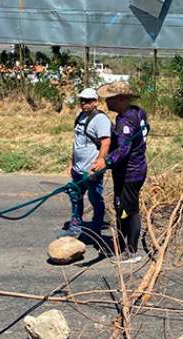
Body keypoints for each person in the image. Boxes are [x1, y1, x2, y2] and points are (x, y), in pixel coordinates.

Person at [91, 81, 149, 264]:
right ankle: (123, 244)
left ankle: (130, 250)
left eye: (111, 99)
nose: (107, 102)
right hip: (132, 169)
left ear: (122, 99)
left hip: (130, 173)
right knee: (121, 208)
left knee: (128, 210)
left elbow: (123, 151)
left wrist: (105, 162)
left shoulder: (126, 121)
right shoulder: (137, 112)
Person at [59, 88, 112, 239]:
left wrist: (99, 163)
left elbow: (106, 143)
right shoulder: (80, 116)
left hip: (91, 169)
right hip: (78, 168)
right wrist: (72, 163)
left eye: (88, 101)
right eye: (82, 100)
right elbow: (77, 143)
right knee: (76, 197)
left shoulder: (101, 119)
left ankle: (95, 229)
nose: (84, 104)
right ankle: (76, 226)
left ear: (96, 102)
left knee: (95, 198)